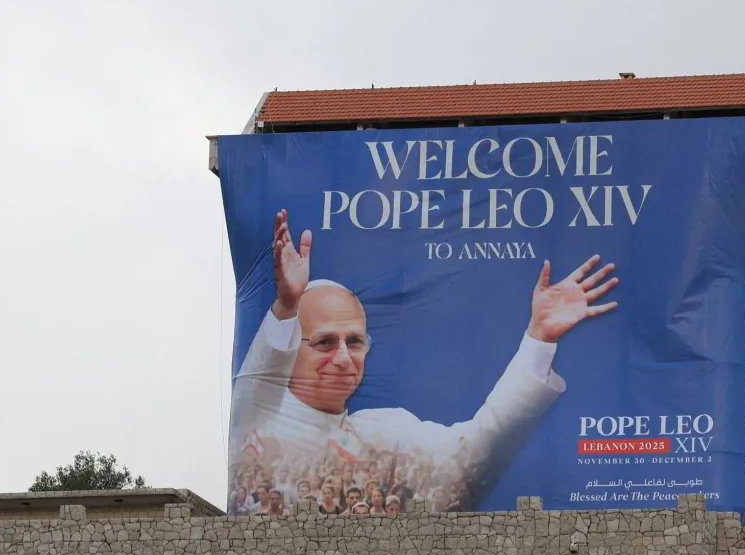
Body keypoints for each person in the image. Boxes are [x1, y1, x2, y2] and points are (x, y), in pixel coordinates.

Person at [229, 209, 619, 515]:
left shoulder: (385, 429)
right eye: (325, 343)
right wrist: (286, 305)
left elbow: (474, 451)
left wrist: (539, 337)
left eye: (355, 342)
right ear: (292, 347)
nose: (344, 358)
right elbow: (258, 378)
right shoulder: (259, 418)